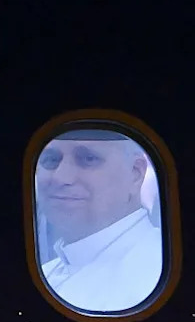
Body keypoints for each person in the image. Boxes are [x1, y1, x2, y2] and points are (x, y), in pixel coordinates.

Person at [35, 129, 162, 312]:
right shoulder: (47, 272)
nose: (61, 177)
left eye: (88, 159)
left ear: (135, 174)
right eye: (51, 160)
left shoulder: (152, 276)